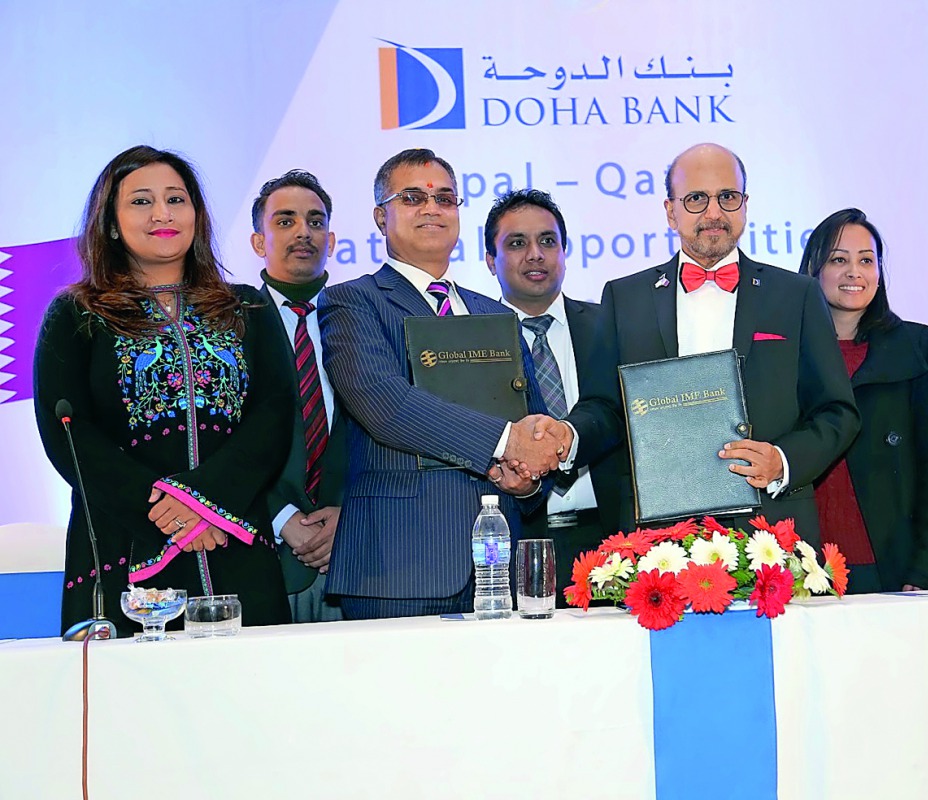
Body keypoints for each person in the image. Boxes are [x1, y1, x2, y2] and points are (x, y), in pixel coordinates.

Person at [34, 145, 293, 637]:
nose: (162, 214)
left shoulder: (247, 308)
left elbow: (274, 416)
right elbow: (67, 432)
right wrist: (165, 510)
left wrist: (204, 501)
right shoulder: (76, 315)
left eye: (176, 199)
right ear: (111, 223)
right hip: (125, 541)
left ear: (197, 215)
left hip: (233, 536)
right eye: (141, 202)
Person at [564, 143, 859, 539]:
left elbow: (838, 411)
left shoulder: (797, 295)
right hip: (657, 534)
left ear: (745, 205)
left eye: (728, 197)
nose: (714, 213)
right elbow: (603, 407)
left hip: (771, 532)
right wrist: (566, 436)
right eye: (696, 199)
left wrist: (782, 460)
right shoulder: (625, 298)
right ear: (671, 211)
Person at [319, 148, 560, 619]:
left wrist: (528, 481)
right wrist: (506, 442)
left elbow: (532, 421)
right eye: (413, 197)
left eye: (445, 198)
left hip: (499, 567)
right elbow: (388, 407)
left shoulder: (494, 313)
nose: (432, 208)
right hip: (397, 566)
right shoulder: (352, 302)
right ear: (380, 216)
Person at [801, 208, 928, 592]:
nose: (854, 272)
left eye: (866, 261)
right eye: (839, 260)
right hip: (804, 565)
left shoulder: (915, 346)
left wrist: (925, 569)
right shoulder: (786, 352)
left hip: (892, 563)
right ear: (814, 270)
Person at [484, 189, 622, 605]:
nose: (535, 254)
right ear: (490, 260)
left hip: (612, 543)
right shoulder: (472, 339)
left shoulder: (610, 326)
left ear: (565, 251)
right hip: (515, 544)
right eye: (516, 243)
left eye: (548, 241)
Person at [251, 170, 346, 622]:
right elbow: (219, 442)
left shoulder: (364, 319)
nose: (303, 232)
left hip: (356, 553)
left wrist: (350, 514)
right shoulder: (230, 325)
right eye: (285, 221)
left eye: (315, 221)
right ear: (258, 241)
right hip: (262, 552)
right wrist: (281, 516)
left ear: (332, 239)